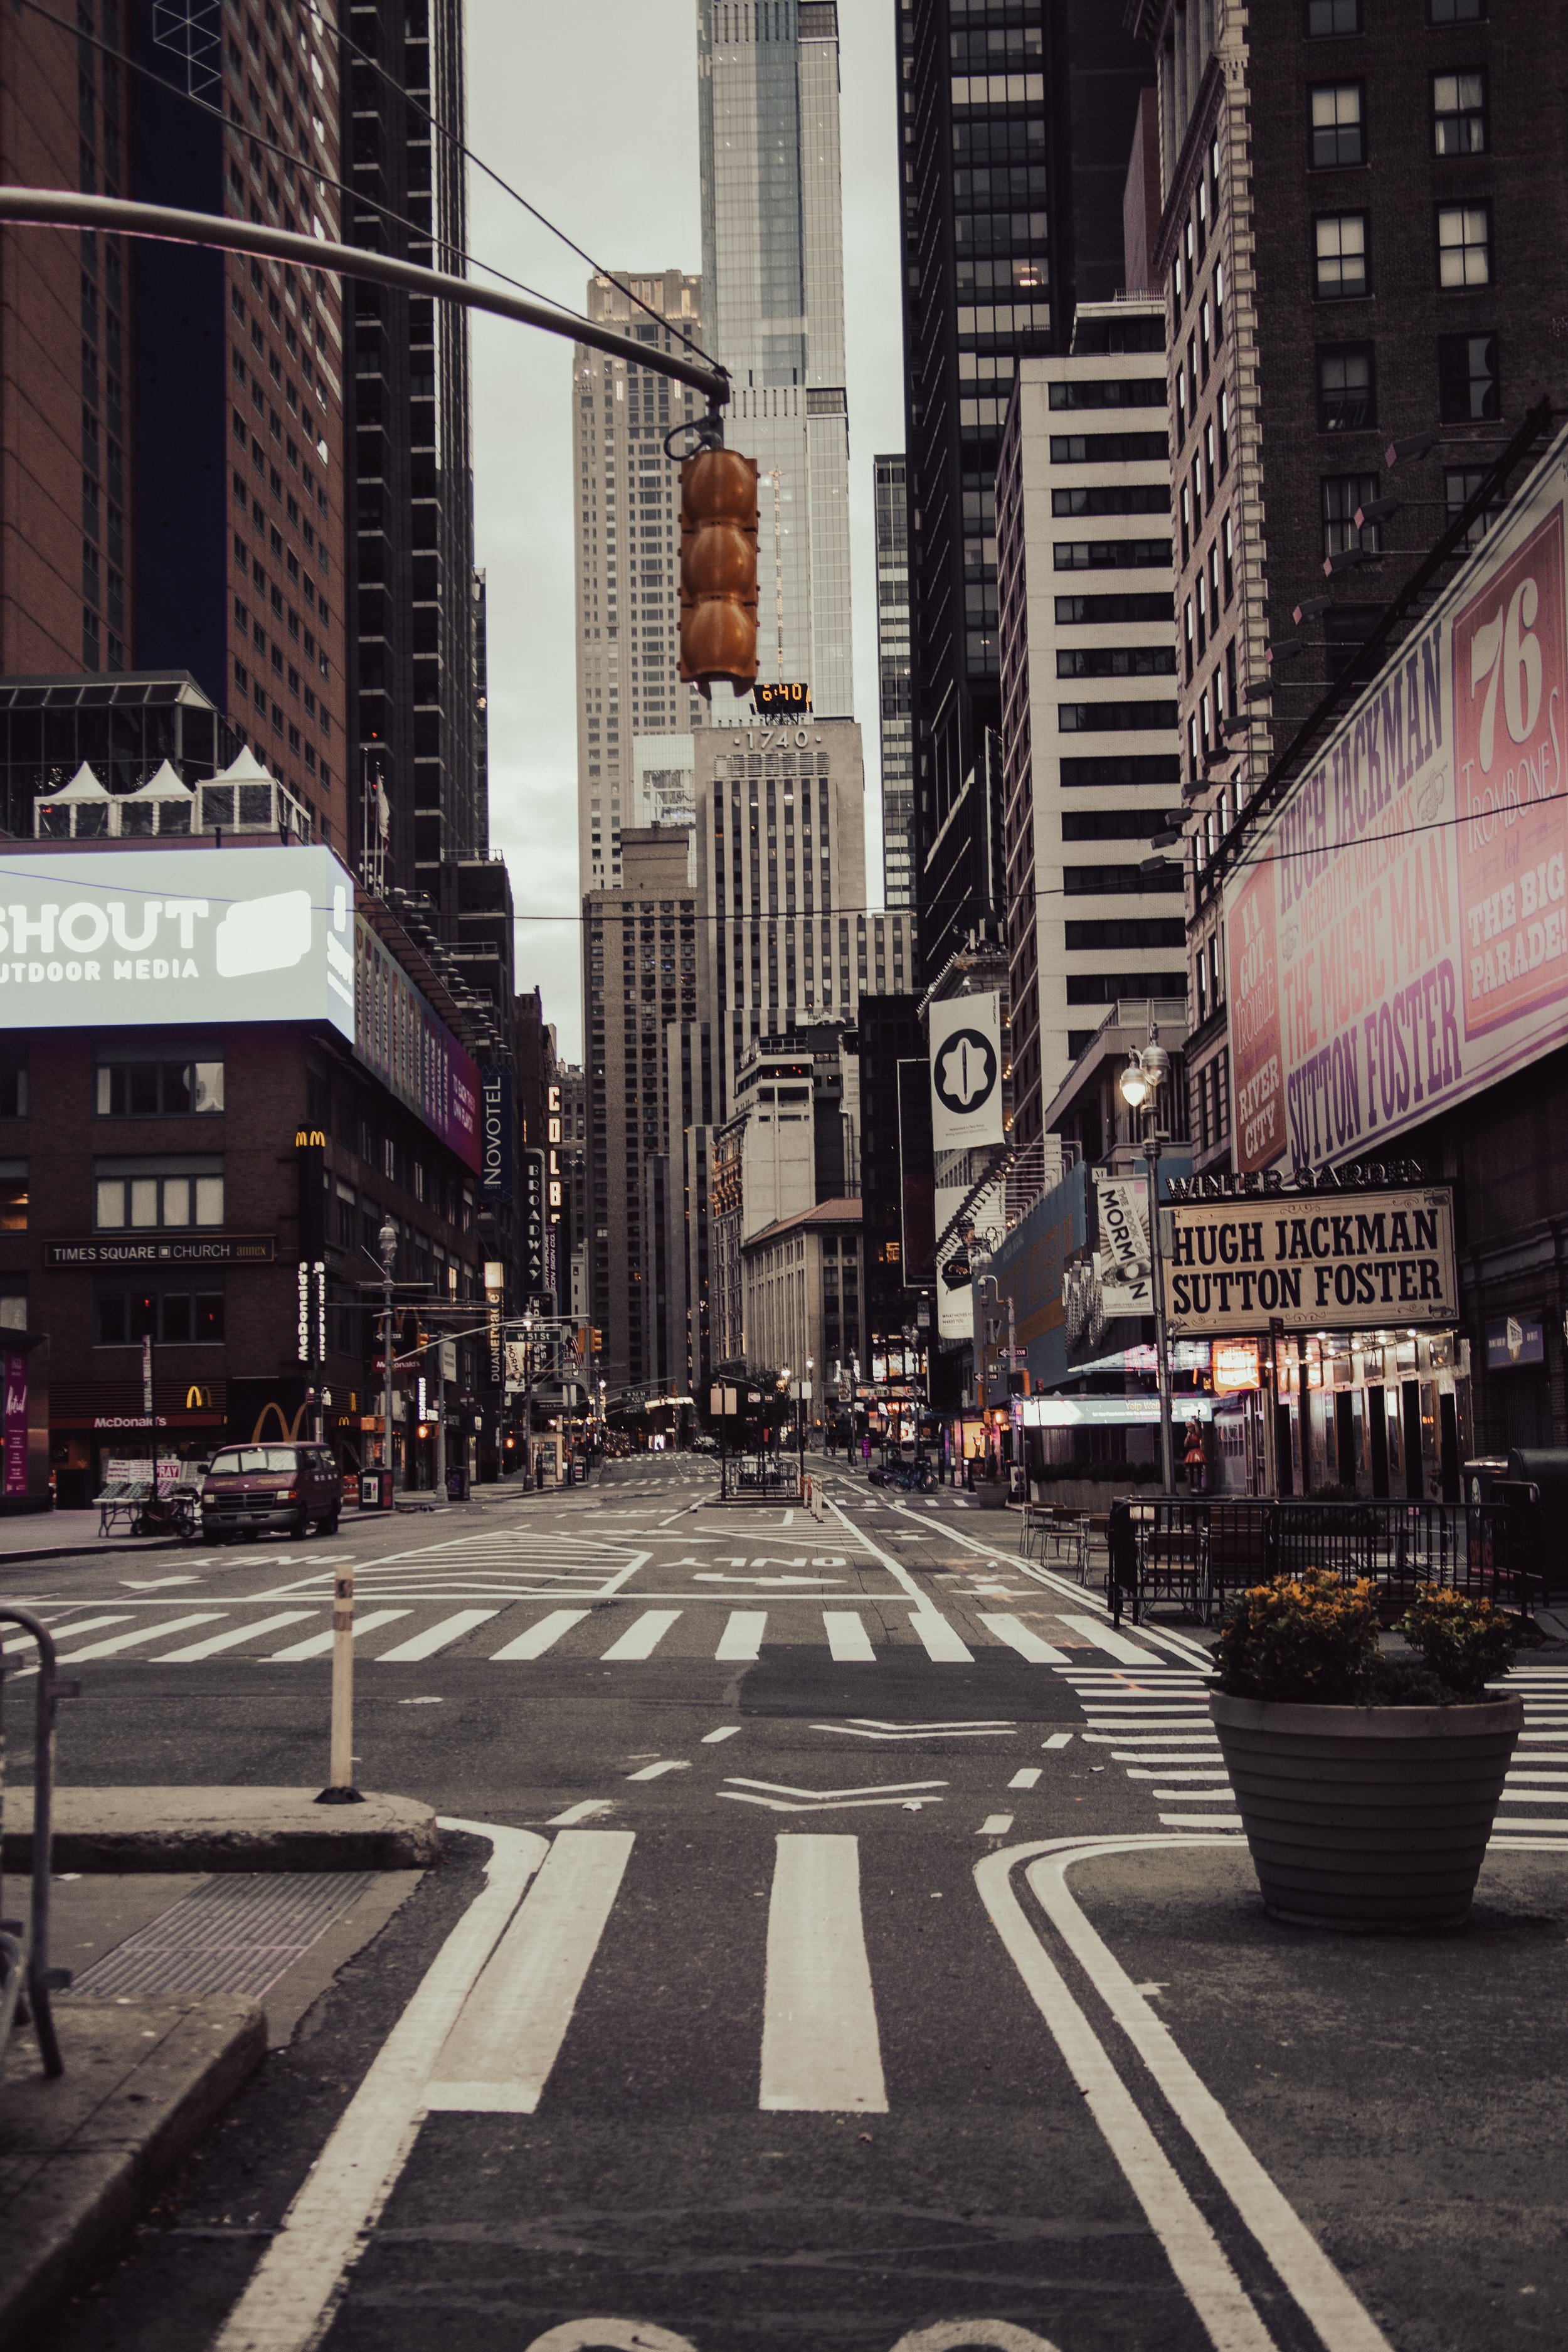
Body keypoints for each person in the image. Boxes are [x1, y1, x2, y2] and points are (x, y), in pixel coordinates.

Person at [1183, 1419, 1206, 1494]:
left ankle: (1199, 1484)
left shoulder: (1197, 1434)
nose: (1189, 1429)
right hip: (1191, 1452)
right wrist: (1188, 1437)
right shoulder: (1188, 1436)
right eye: (1188, 1428)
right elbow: (1185, 1445)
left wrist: (1196, 1423)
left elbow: (1199, 1434)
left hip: (1197, 1451)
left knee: (1199, 1468)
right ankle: (1192, 1484)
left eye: (1190, 1427)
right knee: (1191, 1469)